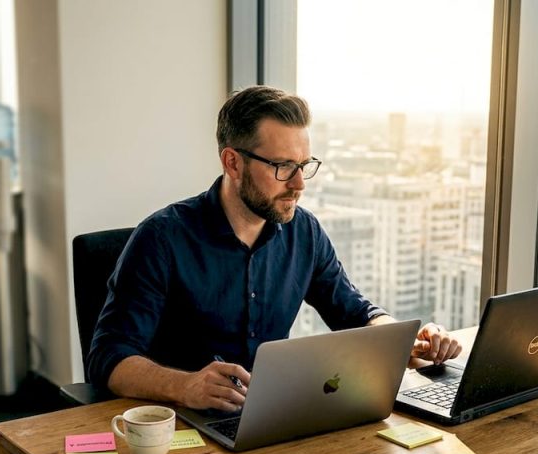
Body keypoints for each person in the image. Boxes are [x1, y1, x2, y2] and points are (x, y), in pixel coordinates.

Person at [87, 85, 462, 411]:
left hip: (271, 417)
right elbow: (109, 358)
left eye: (304, 164)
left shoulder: (304, 231)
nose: (299, 183)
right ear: (233, 163)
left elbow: (356, 312)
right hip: (180, 422)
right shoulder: (161, 238)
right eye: (283, 166)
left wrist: (406, 340)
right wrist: (185, 386)